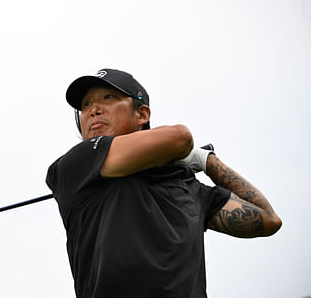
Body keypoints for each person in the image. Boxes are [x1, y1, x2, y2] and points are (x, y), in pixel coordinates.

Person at [45, 68, 282, 298]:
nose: (93, 110)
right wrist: (186, 152)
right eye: (85, 105)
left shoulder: (188, 186)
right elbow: (180, 137)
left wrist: (207, 162)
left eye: (108, 97)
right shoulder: (77, 164)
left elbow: (268, 219)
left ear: (142, 114)